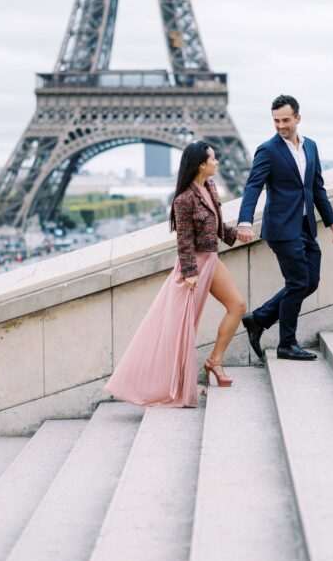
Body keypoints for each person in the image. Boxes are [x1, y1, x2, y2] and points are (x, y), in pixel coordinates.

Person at [106, 141, 248, 407]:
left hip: (212, 260)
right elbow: (184, 240)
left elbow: (216, 226)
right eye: (213, 159)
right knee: (180, 329)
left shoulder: (210, 188)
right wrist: (189, 273)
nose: (217, 163)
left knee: (238, 306)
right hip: (194, 267)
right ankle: (163, 384)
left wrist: (236, 234)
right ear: (201, 165)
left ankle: (214, 362)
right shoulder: (183, 199)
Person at [237, 95, 333, 361]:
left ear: (298, 118)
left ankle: (259, 318)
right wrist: (245, 221)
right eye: (276, 121)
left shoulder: (311, 147)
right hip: (282, 228)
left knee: (310, 282)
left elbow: (316, 187)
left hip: (306, 226)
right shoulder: (268, 150)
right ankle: (286, 343)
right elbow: (253, 186)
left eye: (285, 120)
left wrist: (332, 221)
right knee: (297, 282)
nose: (280, 125)